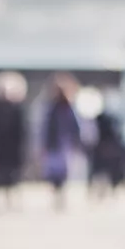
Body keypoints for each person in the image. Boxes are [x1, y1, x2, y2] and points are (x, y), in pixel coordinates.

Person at [0, 71, 28, 207]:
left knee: (13, 174)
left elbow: (22, 130)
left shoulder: (17, 108)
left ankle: (13, 199)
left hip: (13, 147)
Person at [42, 75, 83, 211]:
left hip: (65, 144)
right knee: (54, 173)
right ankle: (57, 197)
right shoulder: (52, 108)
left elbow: (75, 127)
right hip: (55, 145)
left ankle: (61, 198)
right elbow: (46, 128)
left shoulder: (68, 108)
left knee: (63, 173)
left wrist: (77, 141)